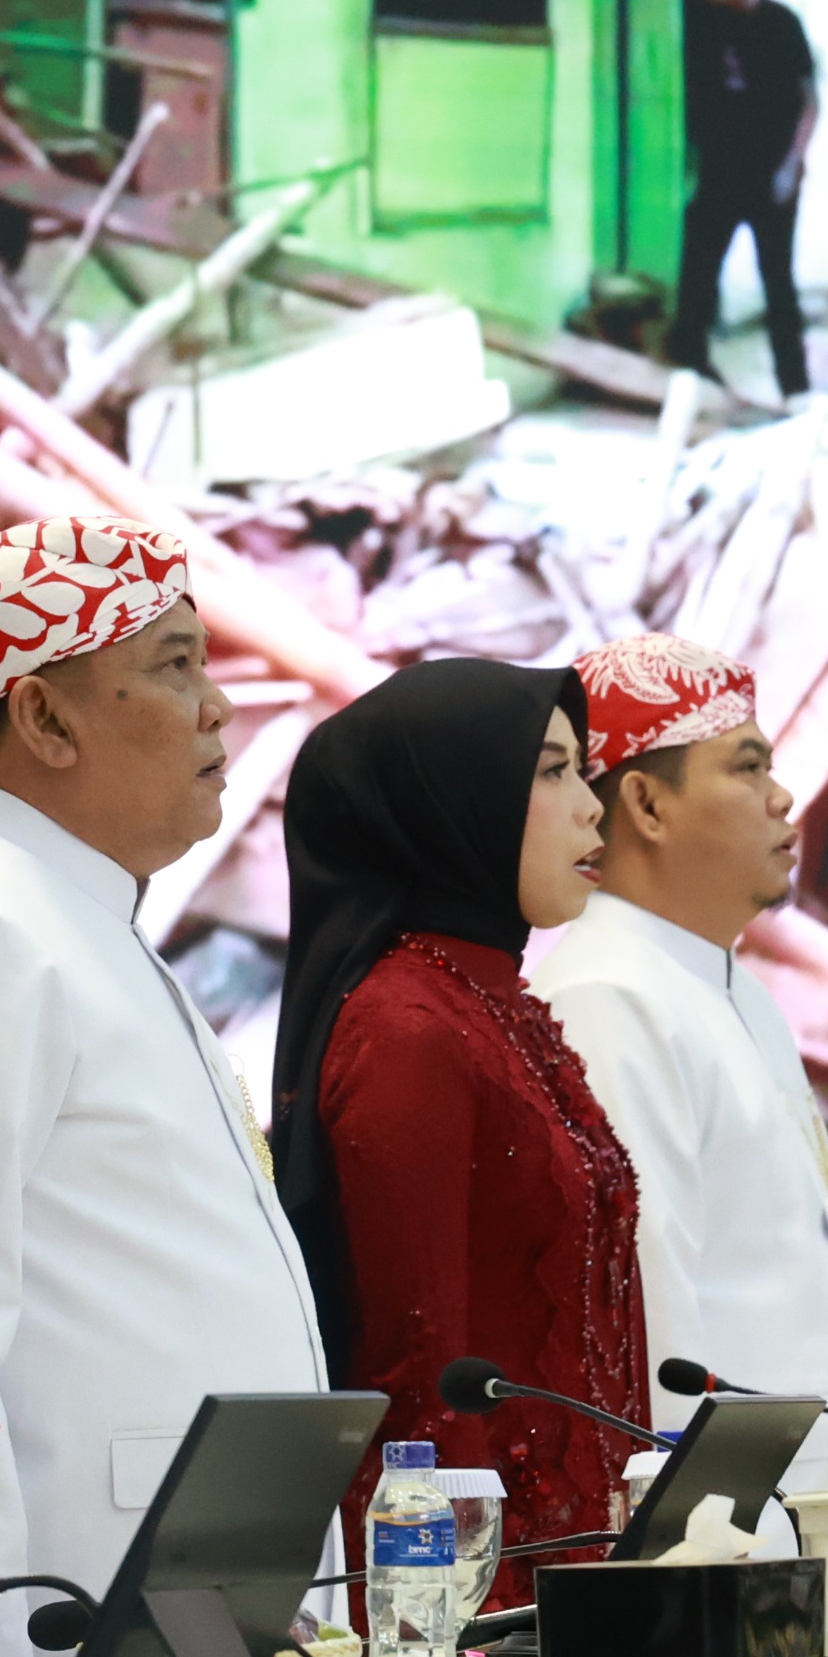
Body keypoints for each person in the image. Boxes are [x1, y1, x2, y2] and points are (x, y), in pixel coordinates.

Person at [0, 518, 332, 1657]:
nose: (220, 706)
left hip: (184, 1583)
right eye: (174, 664)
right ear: (44, 716)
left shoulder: (78, 917)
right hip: (74, 1608)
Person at [272, 660, 649, 1608]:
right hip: (477, 1596)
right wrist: (446, 1624)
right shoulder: (411, 1027)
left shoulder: (496, 1004)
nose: (591, 809)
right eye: (553, 772)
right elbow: (419, 1368)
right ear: (452, 799)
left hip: (581, 1572)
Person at [531, 635, 828, 1494]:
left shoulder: (733, 991)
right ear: (648, 806)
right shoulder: (607, 997)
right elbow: (651, 1317)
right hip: (735, 1538)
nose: (783, 797)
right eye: (748, 767)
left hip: (806, 1526)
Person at [668, 0, 819, 402]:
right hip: (721, 169)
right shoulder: (700, 18)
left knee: (778, 281)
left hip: (772, 174)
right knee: (699, 268)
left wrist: (791, 165)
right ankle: (690, 363)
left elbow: (809, 101)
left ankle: (795, 385)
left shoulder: (781, 24)